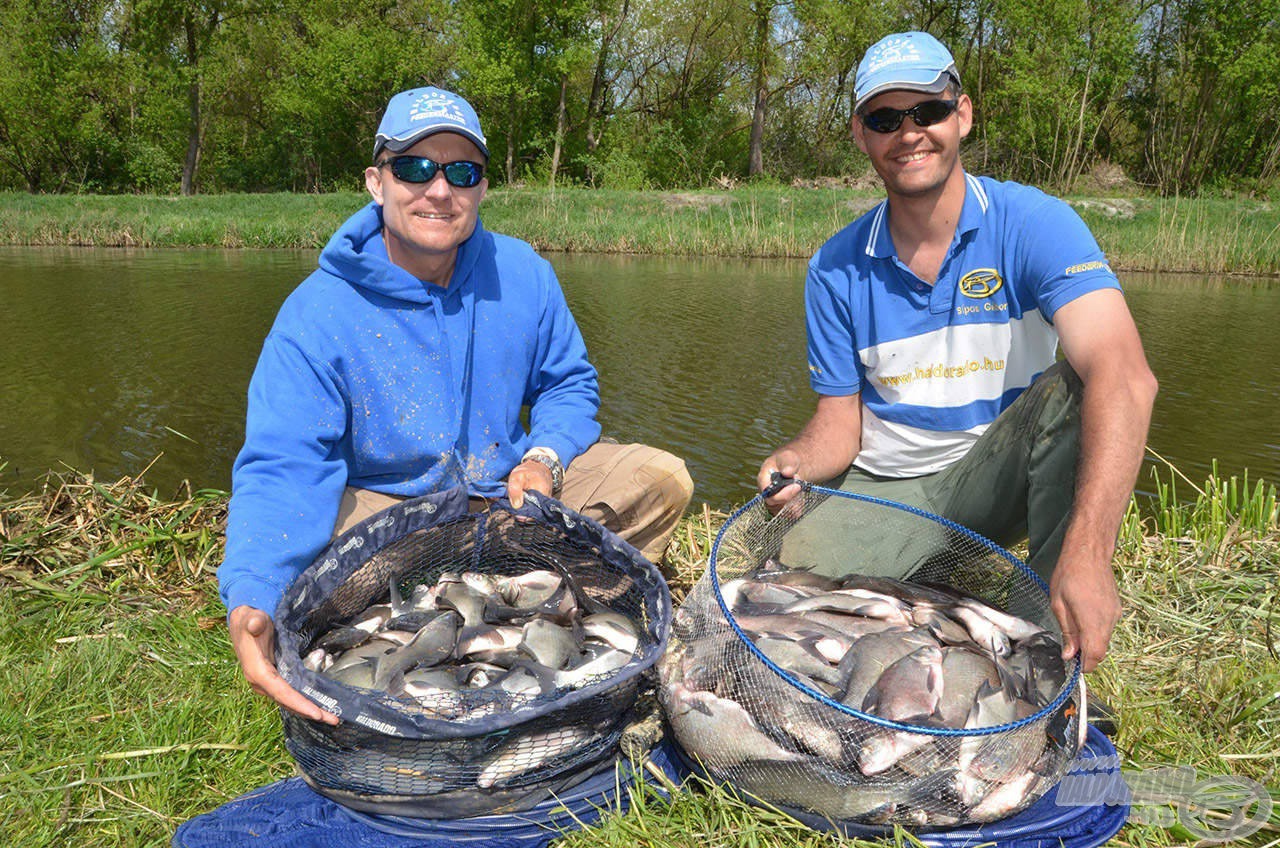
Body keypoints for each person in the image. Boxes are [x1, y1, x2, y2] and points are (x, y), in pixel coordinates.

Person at [218, 86, 694, 725]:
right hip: (389, 517)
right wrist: (254, 593)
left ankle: (536, 601)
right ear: (375, 181)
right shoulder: (315, 314)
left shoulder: (523, 274)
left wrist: (545, 459)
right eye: (415, 168)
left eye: (461, 172)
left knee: (663, 480)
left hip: (507, 500)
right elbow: (283, 461)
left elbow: (569, 387)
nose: (438, 190)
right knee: (309, 551)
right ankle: (447, 611)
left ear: (481, 188)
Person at [757, 32, 1158, 675]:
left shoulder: (1034, 223)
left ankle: (1047, 654)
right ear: (861, 136)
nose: (909, 133)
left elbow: (1127, 375)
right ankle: (929, 579)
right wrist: (799, 459)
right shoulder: (834, 268)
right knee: (776, 598)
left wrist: (1091, 548)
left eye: (928, 111)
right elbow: (839, 421)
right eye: (885, 119)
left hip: (996, 474)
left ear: (963, 114)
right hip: (892, 488)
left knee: (1081, 385)